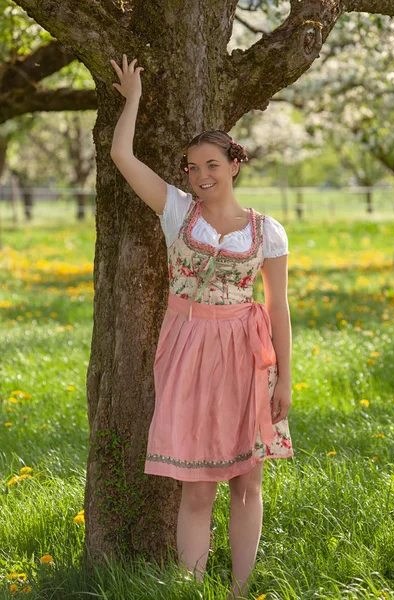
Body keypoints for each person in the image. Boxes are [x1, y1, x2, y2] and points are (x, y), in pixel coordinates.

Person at [110, 54, 293, 600]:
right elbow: (121, 154)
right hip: (188, 348)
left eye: (212, 164)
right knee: (196, 487)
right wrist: (133, 98)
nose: (202, 175)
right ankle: (190, 593)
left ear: (233, 164)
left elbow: (278, 307)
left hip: (246, 350)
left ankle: (239, 593)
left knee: (247, 480)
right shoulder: (176, 212)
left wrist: (285, 378)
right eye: (192, 167)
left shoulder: (267, 231)